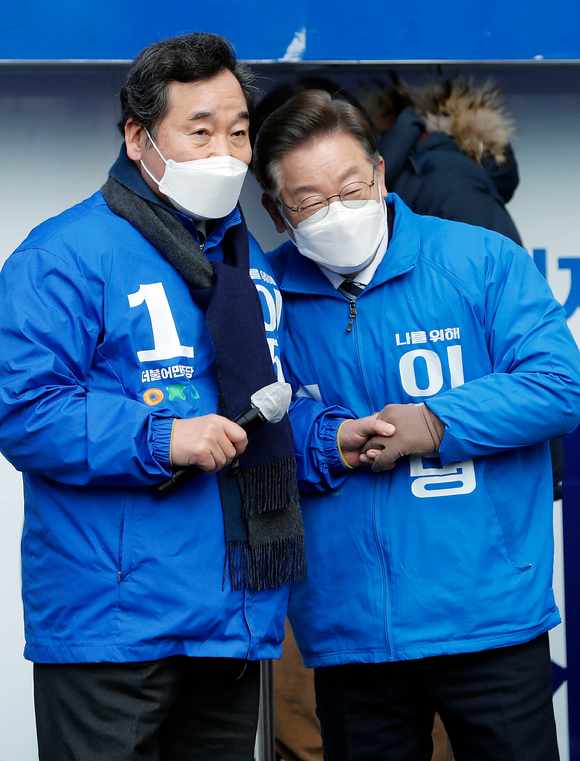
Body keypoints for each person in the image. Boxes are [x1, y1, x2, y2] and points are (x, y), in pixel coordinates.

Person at [0, 32, 320, 761]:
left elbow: (270, 405)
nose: (225, 152)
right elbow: (22, 409)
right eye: (199, 130)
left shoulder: (248, 263)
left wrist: (332, 440)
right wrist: (162, 436)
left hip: (233, 618)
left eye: (237, 131)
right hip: (114, 626)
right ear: (138, 138)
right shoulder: (64, 254)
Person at [253, 89, 580, 761]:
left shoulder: (479, 260)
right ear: (277, 211)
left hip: (489, 618)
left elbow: (560, 384)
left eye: (351, 186)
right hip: (352, 632)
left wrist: (436, 421)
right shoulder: (268, 295)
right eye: (310, 201)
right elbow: (250, 421)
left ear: (378, 171)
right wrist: (324, 440)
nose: (337, 211)